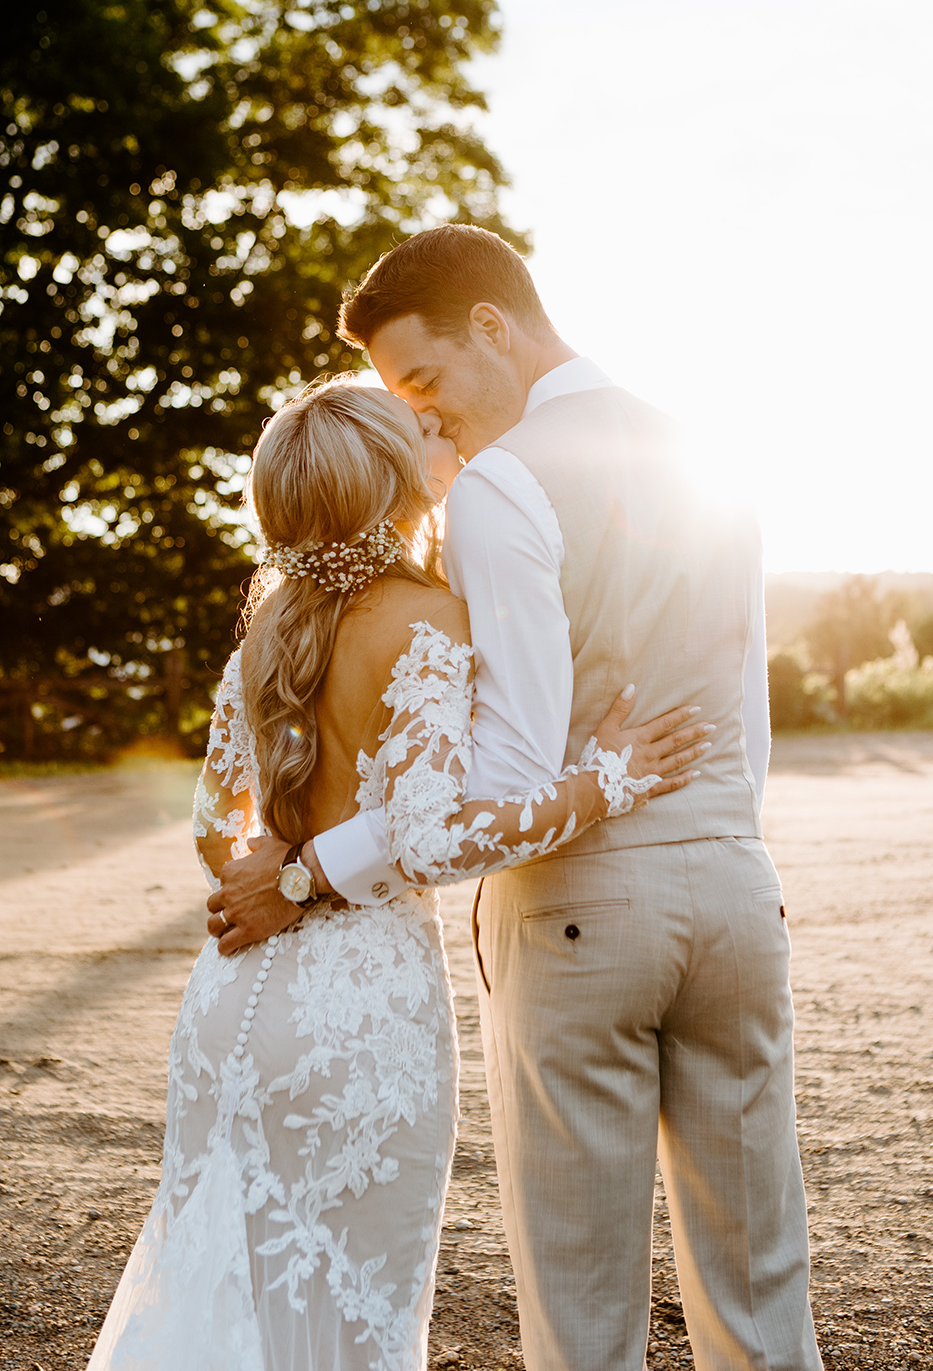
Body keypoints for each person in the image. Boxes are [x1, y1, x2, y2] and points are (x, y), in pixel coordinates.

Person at [210, 225, 823, 1371]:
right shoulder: (706, 451)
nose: (426, 419)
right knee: (762, 1282)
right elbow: (746, 706)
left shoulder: (505, 481)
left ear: (493, 326)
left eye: (426, 381)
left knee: (583, 1302)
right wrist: (728, 846)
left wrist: (307, 873)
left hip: (579, 906)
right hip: (738, 883)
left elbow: (503, 775)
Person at [87, 377, 707, 1371]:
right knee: (348, 1309)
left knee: (226, 1286)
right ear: (396, 487)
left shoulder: (265, 629)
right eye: (417, 436)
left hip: (231, 997)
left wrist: (284, 872)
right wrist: (607, 779)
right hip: (357, 1017)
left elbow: (214, 827)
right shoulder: (429, 617)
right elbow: (433, 839)